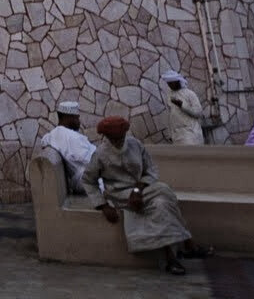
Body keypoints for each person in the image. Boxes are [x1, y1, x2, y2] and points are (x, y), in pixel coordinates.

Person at [82, 115, 210, 275]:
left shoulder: (135, 144)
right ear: (106, 137)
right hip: (120, 196)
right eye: (114, 139)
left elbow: (151, 169)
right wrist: (103, 205)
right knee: (164, 189)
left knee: (162, 203)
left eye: (120, 137)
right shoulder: (100, 154)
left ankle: (172, 259)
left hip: (143, 191)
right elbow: (88, 181)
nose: (118, 141)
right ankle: (189, 243)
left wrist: (137, 190)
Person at [38, 100, 95, 194]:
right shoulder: (71, 137)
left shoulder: (53, 135)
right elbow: (92, 161)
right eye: (77, 118)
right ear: (69, 118)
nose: (79, 122)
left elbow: (44, 141)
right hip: (90, 180)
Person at [161, 72, 205, 145]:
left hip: (190, 133)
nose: (170, 85)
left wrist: (182, 105)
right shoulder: (169, 95)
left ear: (178, 81)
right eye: (169, 83)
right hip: (177, 135)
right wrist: (170, 134)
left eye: (172, 83)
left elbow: (198, 113)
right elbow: (171, 115)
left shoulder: (190, 94)